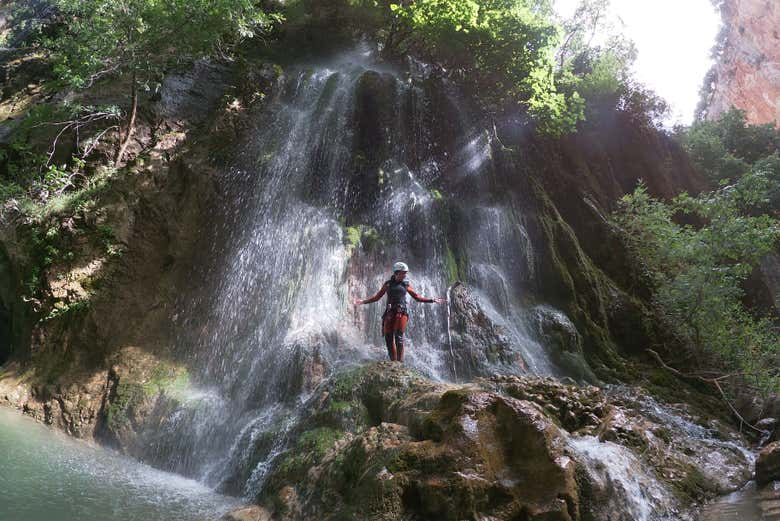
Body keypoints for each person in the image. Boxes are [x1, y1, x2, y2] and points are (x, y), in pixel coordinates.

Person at [352, 261, 446, 362]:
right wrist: (363, 302)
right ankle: (393, 362)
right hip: (390, 312)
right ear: (397, 273)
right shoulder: (387, 284)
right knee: (388, 337)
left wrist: (432, 300)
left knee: (398, 336)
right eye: (403, 272)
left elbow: (417, 297)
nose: (405, 275)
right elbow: (377, 297)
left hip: (401, 312)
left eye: (406, 273)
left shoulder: (406, 284)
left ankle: (400, 363)